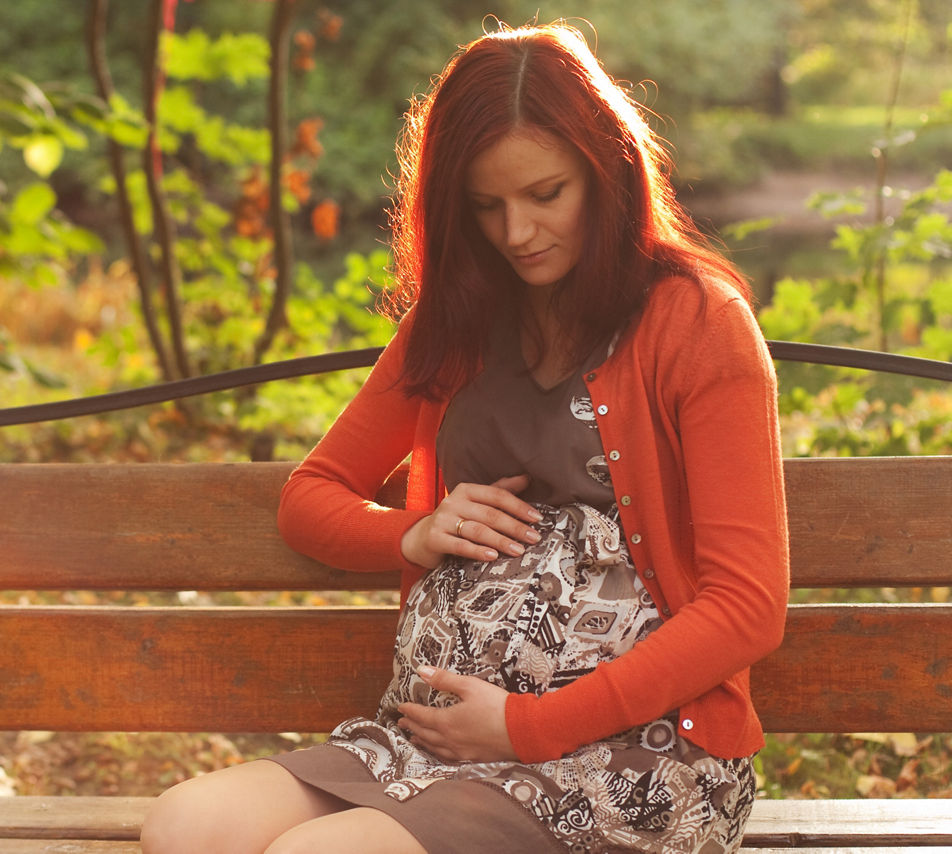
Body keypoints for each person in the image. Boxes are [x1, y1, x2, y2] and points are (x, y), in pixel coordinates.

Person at [140, 20, 788, 854]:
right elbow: (310, 497)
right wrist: (411, 532)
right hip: (429, 746)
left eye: (545, 194)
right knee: (185, 827)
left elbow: (747, 608)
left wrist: (531, 725)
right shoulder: (455, 323)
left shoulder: (698, 323)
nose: (517, 232)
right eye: (487, 205)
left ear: (609, 171)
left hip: (636, 761)